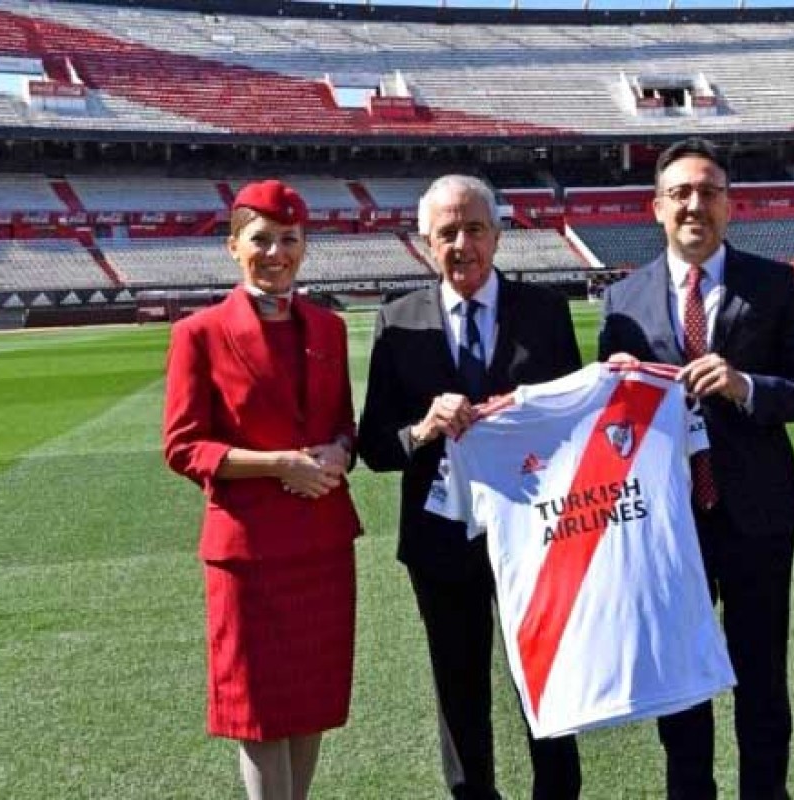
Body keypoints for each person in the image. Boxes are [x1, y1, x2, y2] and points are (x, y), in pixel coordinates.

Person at [598, 137, 794, 800]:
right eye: (681, 193)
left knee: (763, 676)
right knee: (680, 681)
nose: (695, 205)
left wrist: (744, 384)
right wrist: (618, 390)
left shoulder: (774, 284)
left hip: (758, 514)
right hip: (669, 521)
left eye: (709, 192)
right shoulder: (622, 300)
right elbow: (613, 427)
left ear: (729, 204)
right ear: (657, 207)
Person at [357, 175, 582, 800]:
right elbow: (375, 445)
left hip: (535, 536)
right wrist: (423, 428)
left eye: (475, 229)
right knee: (458, 690)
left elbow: (575, 423)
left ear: (498, 235)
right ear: (426, 243)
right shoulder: (398, 321)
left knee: (546, 679)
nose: (463, 245)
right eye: (448, 233)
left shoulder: (546, 311)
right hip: (439, 542)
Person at [163, 179, 362, 800]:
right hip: (248, 553)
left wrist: (340, 451)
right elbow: (183, 446)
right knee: (258, 707)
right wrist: (278, 464)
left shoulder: (328, 328)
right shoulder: (198, 333)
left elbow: (345, 425)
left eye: (290, 240)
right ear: (233, 246)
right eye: (262, 240)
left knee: (311, 699)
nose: (277, 253)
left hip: (323, 542)